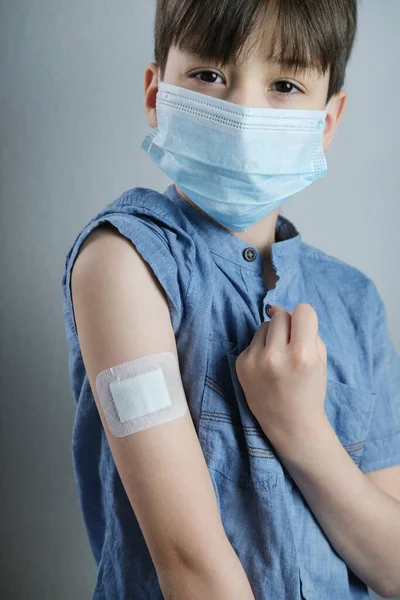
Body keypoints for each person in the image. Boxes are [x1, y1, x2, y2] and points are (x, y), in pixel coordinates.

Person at [61, 1, 400, 598]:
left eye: (285, 84)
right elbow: (190, 564)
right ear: (157, 91)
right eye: (210, 75)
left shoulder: (355, 300)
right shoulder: (125, 261)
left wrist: (300, 429)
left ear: (327, 120)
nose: (242, 111)